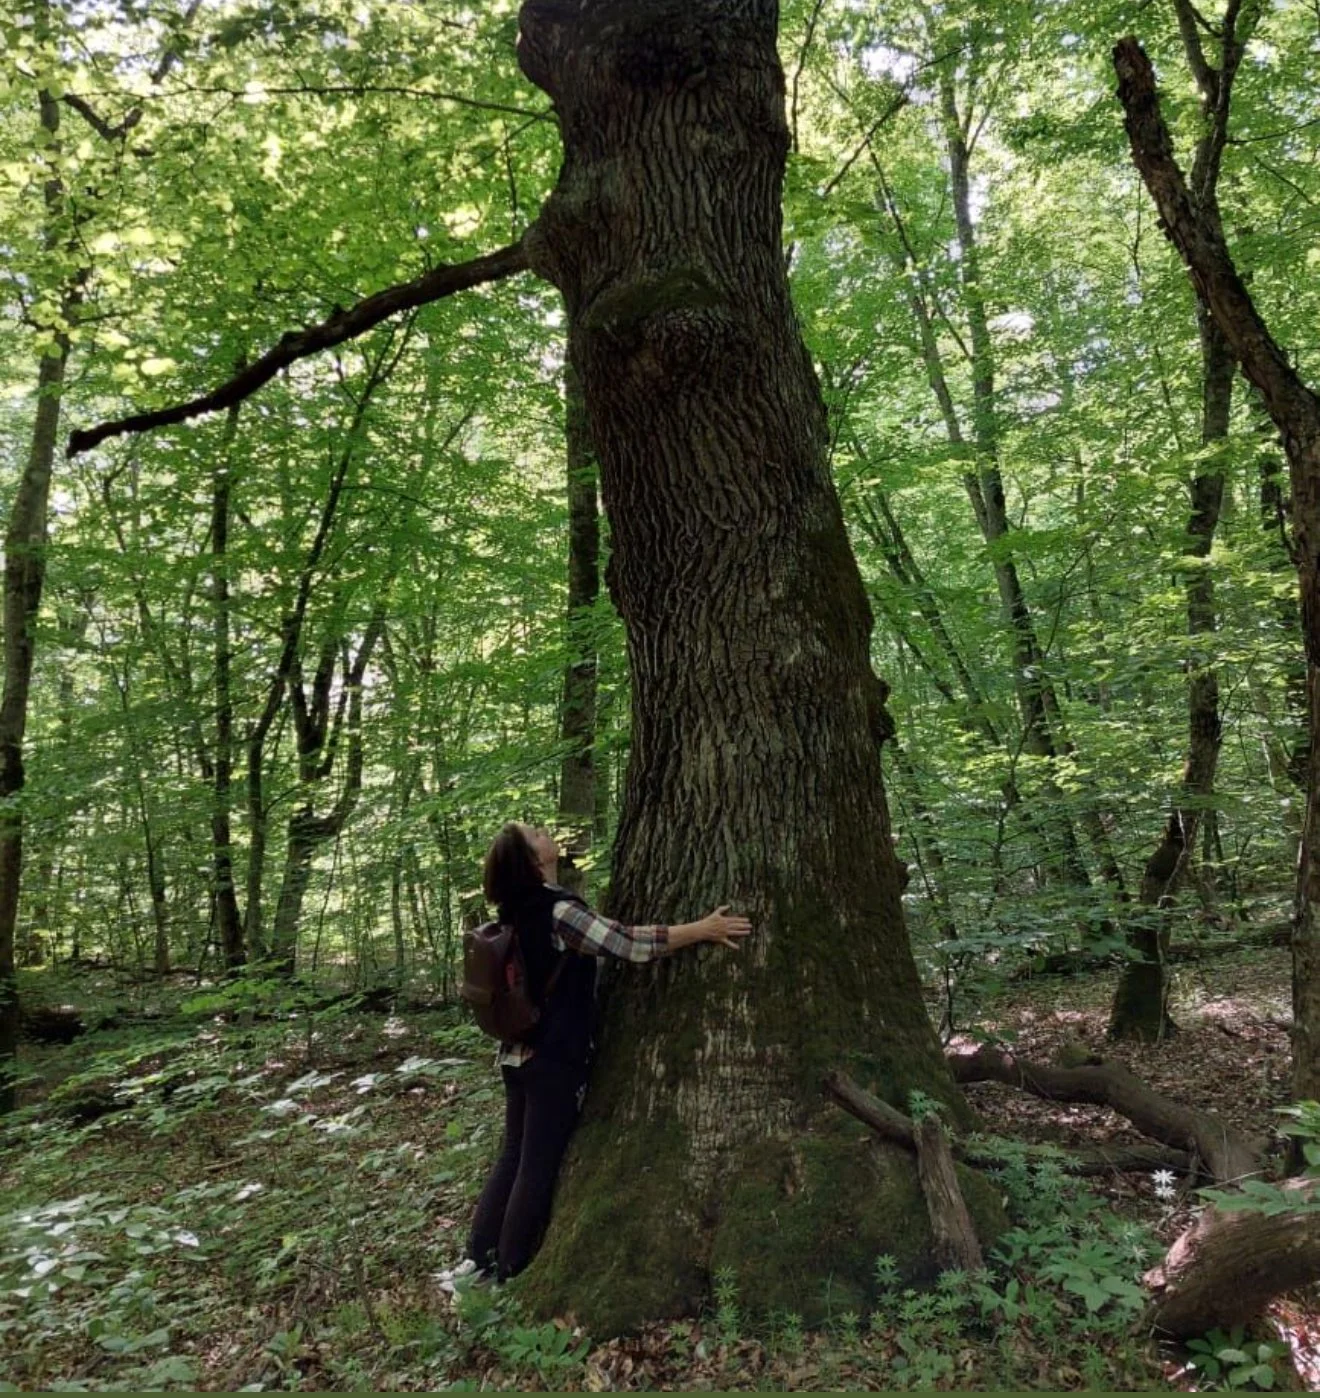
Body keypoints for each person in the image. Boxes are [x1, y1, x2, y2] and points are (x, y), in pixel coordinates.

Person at [437, 821, 751, 1295]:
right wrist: (701, 929)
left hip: (518, 1055)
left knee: (513, 1156)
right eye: (535, 832)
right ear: (532, 857)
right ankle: (507, 1271)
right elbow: (626, 943)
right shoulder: (556, 910)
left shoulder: (513, 909)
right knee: (534, 1164)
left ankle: (475, 1260)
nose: (545, 831)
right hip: (553, 1057)